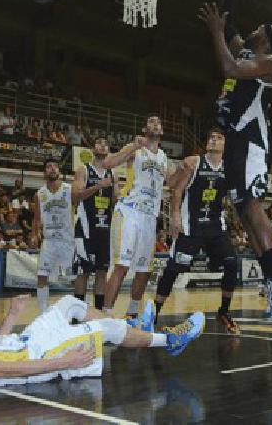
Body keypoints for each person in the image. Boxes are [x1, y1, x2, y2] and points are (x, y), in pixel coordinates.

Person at [197, 0, 272, 319]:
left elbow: (227, 66)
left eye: (261, 28)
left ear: (268, 40)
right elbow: (226, 25)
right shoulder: (245, 52)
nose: (253, 28)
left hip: (250, 142)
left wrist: (214, 34)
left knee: (253, 208)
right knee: (243, 210)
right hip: (234, 141)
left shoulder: (269, 63)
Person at [0, 279, 205, 389]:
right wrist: (63, 362)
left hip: (22, 344)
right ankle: (170, 340)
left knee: (68, 303)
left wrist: (12, 315)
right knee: (105, 329)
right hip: (35, 358)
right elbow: (4, 369)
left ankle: (134, 331)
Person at [156, 129, 242, 334]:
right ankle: (154, 314)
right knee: (173, 270)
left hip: (214, 227)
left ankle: (223, 312)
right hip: (191, 227)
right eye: (211, 137)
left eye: (219, 138)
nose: (213, 139)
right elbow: (176, 189)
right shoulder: (194, 163)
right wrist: (175, 216)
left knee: (232, 263)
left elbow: (232, 196)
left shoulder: (228, 168)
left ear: (225, 145)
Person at [99, 114, 173, 325]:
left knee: (144, 269)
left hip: (149, 217)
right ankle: (106, 315)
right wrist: (132, 147)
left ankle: (132, 315)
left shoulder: (163, 158)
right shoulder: (135, 149)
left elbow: (174, 183)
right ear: (144, 129)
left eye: (158, 122)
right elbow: (107, 163)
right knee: (121, 265)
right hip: (129, 211)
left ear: (161, 131)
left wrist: (187, 171)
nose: (155, 124)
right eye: (150, 122)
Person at [70, 137, 117, 312]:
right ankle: (77, 313)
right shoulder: (84, 170)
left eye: (106, 143)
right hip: (86, 229)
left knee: (102, 273)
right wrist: (98, 186)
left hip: (104, 229)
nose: (103, 145)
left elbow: (116, 201)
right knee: (83, 272)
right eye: (99, 143)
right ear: (93, 149)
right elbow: (74, 197)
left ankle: (97, 312)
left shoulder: (112, 174)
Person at [29, 159, 75, 314]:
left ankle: (75, 311)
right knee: (42, 275)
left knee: (73, 279)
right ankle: (43, 312)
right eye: (49, 166)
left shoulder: (69, 189)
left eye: (55, 166)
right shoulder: (39, 194)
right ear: (44, 173)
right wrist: (34, 234)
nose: (52, 169)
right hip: (49, 240)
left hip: (68, 240)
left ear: (59, 172)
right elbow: (36, 219)